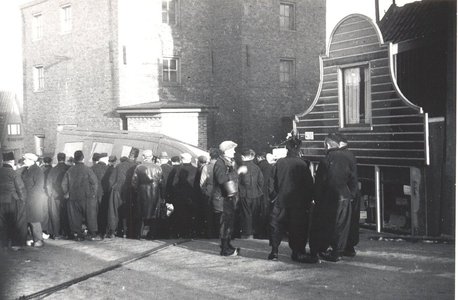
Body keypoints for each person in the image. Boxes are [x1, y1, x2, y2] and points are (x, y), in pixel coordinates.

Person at [309, 133, 358, 262]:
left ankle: (331, 252)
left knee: (329, 224)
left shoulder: (326, 160)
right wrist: (351, 194)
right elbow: (353, 178)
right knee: (342, 225)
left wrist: (317, 199)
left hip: (331, 196)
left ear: (327, 145)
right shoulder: (348, 157)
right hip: (345, 195)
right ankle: (339, 251)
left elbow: (320, 182)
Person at [268, 136, 315, 263]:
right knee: (297, 227)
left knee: (276, 225)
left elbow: (271, 181)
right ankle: (297, 252)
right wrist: (308, 200)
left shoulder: (279, 163)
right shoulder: (303, 164)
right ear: (299, 150)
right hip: (298, 203)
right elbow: (309, 185)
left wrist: (273, 196)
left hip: (279, 200)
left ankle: (274, 251)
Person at [213, 141, 247, 256]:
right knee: (225, 223)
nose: (234, 151)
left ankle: (226, 245)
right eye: (232, 149)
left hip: (230, 198)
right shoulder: (220, 163)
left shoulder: (229, 162)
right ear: (226, 151)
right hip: (223, 199)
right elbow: (221, 179)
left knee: (229, 223)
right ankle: (225, 249)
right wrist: (237, 172)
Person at [62, 150, 101, 241]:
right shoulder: (88, 170)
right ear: (83, 158)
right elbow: (94, 183)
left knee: (75, 217)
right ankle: (93, 235)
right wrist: (93, 194)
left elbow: (64, 184)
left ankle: (78, 235)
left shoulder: (70, 170)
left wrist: (67, 193)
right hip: (86, 197)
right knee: (90, 215)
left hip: (73, 197)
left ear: (75, 158)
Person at [335, 132, 361, 257]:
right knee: (352, 221)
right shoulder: (350, 154)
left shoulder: (341, 155)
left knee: (343, 222)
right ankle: (350, 247)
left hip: (346, 193)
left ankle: (342, 248)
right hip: (353, 192)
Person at [131, 150, 164, 239]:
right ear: (152, 156)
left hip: (142, 191)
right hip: (155, 191)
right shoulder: (158, 167)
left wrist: (136, 192)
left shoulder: (139, 167)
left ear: (143, 157)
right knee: (154, 213)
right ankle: (153, 234)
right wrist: (162, 195)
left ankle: (138, 234)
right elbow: (161, 182)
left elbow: (134, 182)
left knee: (140, 213)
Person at [107, 148, 139, 238]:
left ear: (129, 154)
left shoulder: (119, 165)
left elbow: (111, 180)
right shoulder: (137, 167)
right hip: (130, 192)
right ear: (136, 157)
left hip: (116, 190)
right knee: (127, 211)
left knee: (113, 211)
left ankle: (112, 232)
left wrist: (111, 191)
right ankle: (125, 232)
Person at [0, 152, 27, 250]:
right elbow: (20, 188)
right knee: (14, 222)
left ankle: (3, 244)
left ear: (4, 161)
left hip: (1, 201)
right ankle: (15, 244)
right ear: (12, 161)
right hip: (12, 200)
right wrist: (22, 199)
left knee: (2, 223)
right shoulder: (13, 173)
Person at [22, 153, 46, 247]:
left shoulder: (37, 171)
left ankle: (38, 240)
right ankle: (35, 239)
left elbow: (38, 186)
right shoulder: (28, 170)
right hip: (29, 198)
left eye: (25, 159)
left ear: (32, 161)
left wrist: (28, 196)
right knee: (31, 219)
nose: (24, 161)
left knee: (34, 220)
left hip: (33, 200)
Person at [238, 148, 264, 239]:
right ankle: (254, 231)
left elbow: (237, 181)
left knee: (246, 214)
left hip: (244, 194)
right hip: (256, 194)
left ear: (242, 156)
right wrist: (258, 191)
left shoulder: (241, 167)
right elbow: (261, 181)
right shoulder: (257, 167)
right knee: (254, 213)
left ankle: (248, 233)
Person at [171, 153, 198, 238]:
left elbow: (174, 184)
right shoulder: (196, 169)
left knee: (181, 214)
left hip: (181, 196)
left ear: (182, 160)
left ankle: (182, 233)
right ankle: (191, 232)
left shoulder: (178, 170)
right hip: (193, 195)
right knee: (191, 214)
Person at [46, 153, 70, 239]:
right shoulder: (68, 168)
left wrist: (50, 194)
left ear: (57, 158)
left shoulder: (53, 169)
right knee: (66, 213)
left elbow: (48, 183)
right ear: (65, 158)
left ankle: (56, 234)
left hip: (55, 195)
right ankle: (66, 233)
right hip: (66, 195)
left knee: (55, 214)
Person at [200, 148, 220, 238]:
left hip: (208, 191)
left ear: (210, 156)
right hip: (219, 192)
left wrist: (204, 191)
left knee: (208, 214)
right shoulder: (222, 166)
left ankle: (209, 233)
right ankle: (218, 232)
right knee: (218, 213)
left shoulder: (206, 167)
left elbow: (202, 182)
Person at [91, 153, 110, 236]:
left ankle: (93, 230)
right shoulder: (108, 169)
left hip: (94, 193)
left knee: (94, 211)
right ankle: (102, 231)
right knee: (103, 212)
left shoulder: (92, 168)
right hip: (104, 193)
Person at [256, 152, 273, 239]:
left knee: (261, 212)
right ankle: (267, 232)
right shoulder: (270, 166)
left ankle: (260, 232)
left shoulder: (259, 166)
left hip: (261, 192)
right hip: (269, 192)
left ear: (259, 157)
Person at [41, 156, 53, 238]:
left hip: (42, 193)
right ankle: (50, 230)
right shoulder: (52, 169)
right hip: (50, 192)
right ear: (51, 161)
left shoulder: (40, 169)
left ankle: (44, 230)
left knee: (44, 211)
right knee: (51, 211)